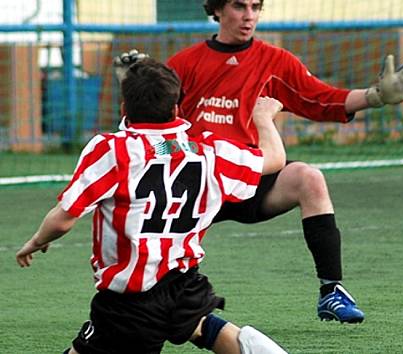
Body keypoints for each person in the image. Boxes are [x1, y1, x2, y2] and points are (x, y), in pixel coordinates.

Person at [115, 0, 403, 324]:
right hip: (200, 180)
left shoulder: (275, 61)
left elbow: (321, 98)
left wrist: (376, 95)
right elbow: (150, 117)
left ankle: (331, 290)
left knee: (309, 178)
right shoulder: (187, 63)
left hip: (253, 175)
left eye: (255, 6)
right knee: (161, 267)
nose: (249, 15)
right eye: (239, 6)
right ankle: (140, 301)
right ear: (218, 10)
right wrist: (134, 85)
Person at [16, 58, 288, 354]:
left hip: (131, 300)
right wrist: (263, 118)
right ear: (175, 109)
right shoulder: (208, 150)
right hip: (183, 283)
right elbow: (274, 159)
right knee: (200, 325)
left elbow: (63, 219)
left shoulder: (112, 150)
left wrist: (37, 240)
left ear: (123, 110)